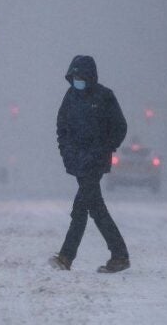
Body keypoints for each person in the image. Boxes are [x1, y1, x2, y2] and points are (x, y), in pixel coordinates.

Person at [50, 55, 130, 273]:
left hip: (95, 162)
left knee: (83, 208)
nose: (77, 81)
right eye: (74, 77)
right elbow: (62, 128)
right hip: (77, 161)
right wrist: (66, 153)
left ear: (90, 76)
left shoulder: (105, 96)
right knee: (92, 207)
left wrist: (104, 148)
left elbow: (120, 127)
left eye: (81, 77)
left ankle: (67, 256)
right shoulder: (70, 97)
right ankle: (119, 255)